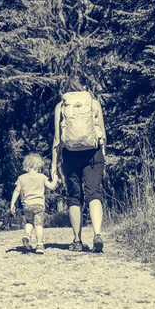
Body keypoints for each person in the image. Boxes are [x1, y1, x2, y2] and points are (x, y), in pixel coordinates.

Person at [51, 74, 106, 252]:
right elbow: (103, 134)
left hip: (70, 154)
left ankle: (77, 241)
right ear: (83, 86)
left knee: (74, 196)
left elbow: (57, 139)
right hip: (93, 154)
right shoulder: (93, 103)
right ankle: (97, 234)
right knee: (94, 193)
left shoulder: (61, 106)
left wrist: (53, 164)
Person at [10, 153, 58, 254]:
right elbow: (51, 187)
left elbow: (16, 191)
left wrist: (12, 204)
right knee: (38, 224)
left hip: (27, 205)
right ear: (38, 165)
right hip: (39, 205)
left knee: (29, 222)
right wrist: (55, 179)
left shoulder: (21, 178)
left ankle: (27, 234)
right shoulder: (42, 177)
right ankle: (39, 245)